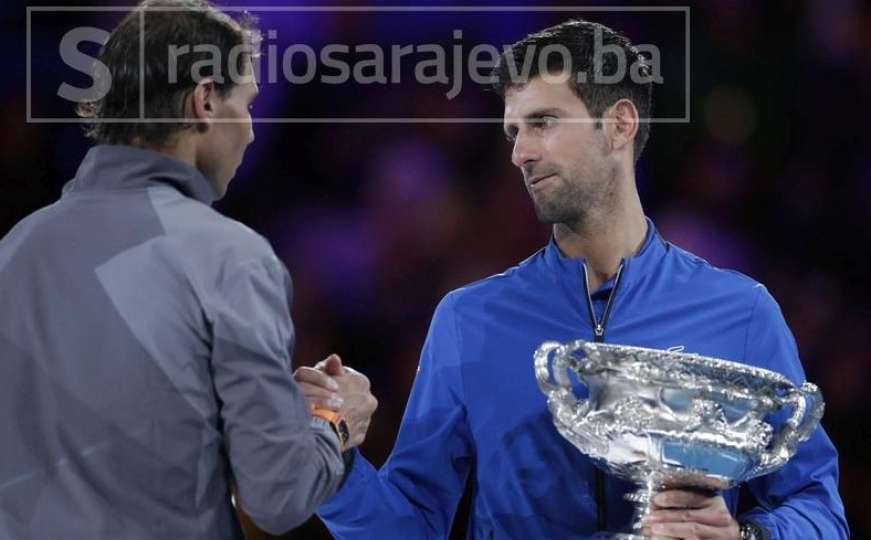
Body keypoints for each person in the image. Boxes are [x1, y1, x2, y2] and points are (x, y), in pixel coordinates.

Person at [293, 20, 849, 539]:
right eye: (514, 131)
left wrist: (745, 535)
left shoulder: (741, 312)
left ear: (620, 124)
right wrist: (330, 463)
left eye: (543, 123)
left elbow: (818, 507)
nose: (519, 153)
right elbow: (411, 523)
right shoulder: (468, 320)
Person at [0, 1, 375, 538]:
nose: (248, 131)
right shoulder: (228, 257)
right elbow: (277, 497)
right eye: (245, 104)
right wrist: (331, 422)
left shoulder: (16, 249)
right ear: (204, 101)